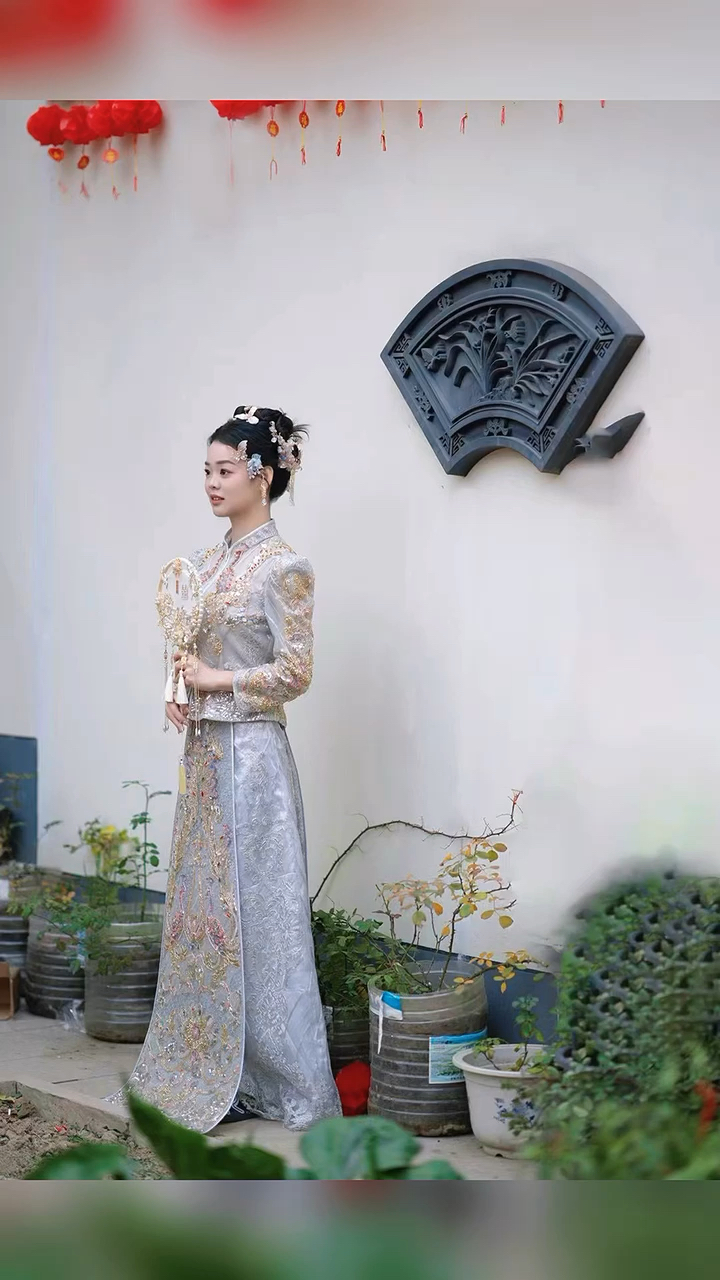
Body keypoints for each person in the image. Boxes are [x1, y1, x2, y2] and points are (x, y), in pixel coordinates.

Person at [117, 405, 341, 1133]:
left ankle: (286, 1082)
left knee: (259, 913)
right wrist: (177, 683)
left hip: (253, 759)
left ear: (262, 475)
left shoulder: (285, 567)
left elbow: (295, 672)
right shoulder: (204, 563)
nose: (212, 483)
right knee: (204, 914)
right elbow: (187, 642)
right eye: (207, 471)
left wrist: (218, 681)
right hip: (206, 757)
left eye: (224, 470)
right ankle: (217, 1065)